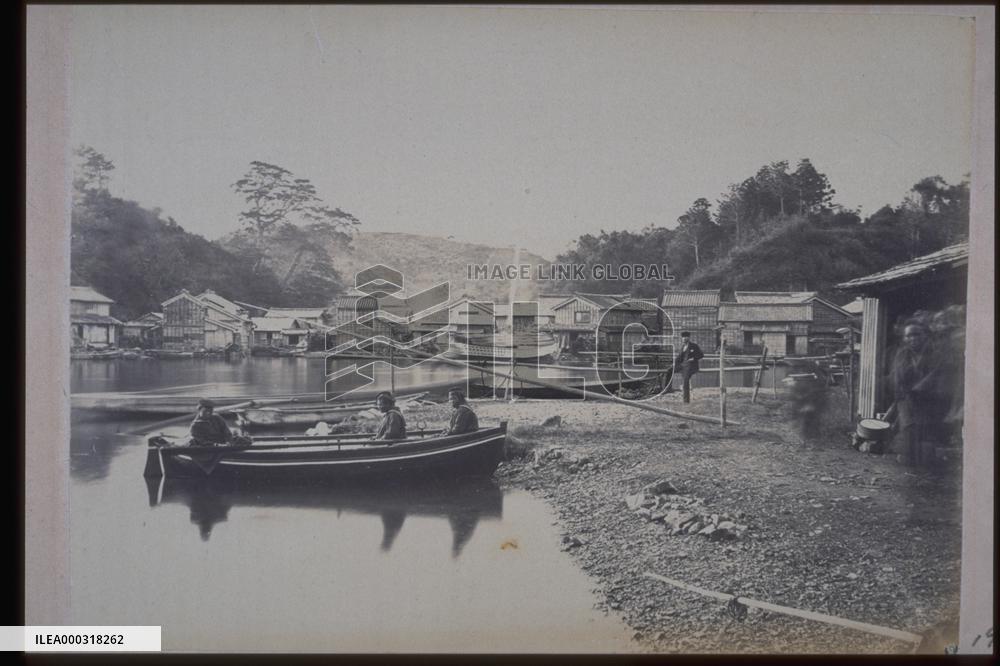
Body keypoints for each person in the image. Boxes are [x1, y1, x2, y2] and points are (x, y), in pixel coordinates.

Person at [890, 322, 947, 469]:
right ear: (904, 338)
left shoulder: (936, 354)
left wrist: (920, 389)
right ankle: (908, 458)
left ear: (925, 336)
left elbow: (935, 374)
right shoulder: (902, 354)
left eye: (917, 334)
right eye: (909, 335)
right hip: (906, 398)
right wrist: (904, 394)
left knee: (926, 429)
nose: (912, 338)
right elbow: (898, 376)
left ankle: (926, 461)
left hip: (928, 399)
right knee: (908, 427)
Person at [673, 331, 704, 404]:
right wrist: (673, 364)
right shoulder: (683, 347)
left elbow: (701, 355)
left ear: (689, 338)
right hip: (683, 366)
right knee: (669, 370)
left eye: (685, 337)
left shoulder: (694, 346)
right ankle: (667, 388)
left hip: (691, 366)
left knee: (685, 381)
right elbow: (679, 358)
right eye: (683, 337)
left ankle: (686, 401)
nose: (684, 338)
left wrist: (693, 358)